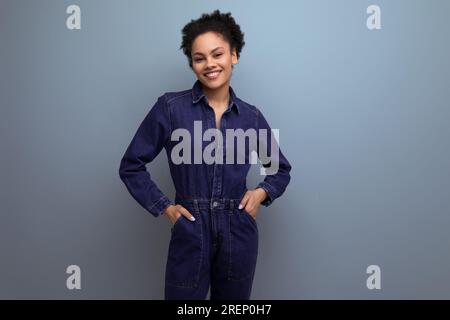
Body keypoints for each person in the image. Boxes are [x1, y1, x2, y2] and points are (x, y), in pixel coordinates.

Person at [119, 9, 292, 300]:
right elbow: (131, 166)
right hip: (190, 231)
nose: (209, 64)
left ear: (234, 55)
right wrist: (166, 207)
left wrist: (261, 193)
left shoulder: (251, 116)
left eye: (217, 54)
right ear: (192, 64)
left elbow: (279, 170)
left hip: (238, 233)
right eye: (199, 58)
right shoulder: (170, 108)